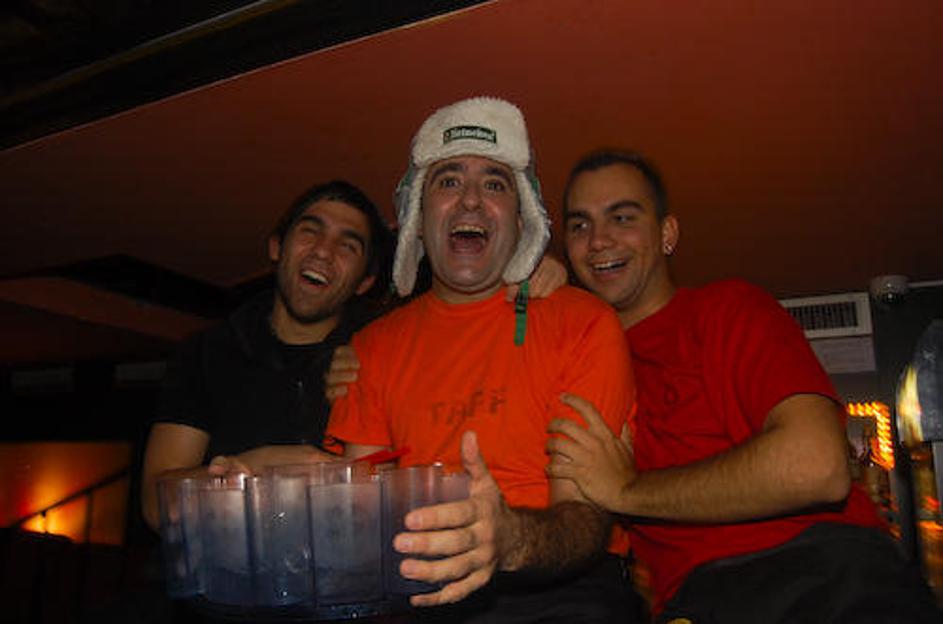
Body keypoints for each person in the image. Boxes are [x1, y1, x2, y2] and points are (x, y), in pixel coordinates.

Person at [547, 149, 943, 622]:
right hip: (696, 599)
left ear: (667, 234)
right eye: (580, 226)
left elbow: (816, 466)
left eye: (622, 217)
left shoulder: (727, 310)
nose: (598, 240)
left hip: (823, 573)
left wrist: (626, 490)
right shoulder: (577, 361)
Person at [326, 97, 643, 623]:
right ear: (417, 218)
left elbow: (586, 519)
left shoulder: (583, 322)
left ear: (521, 220)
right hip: (420, 585)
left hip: (561, 586)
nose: (471, 200)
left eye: (495, 184)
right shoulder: (370, 348)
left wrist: (508, 537)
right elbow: (363, 515)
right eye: (449, 180)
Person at [140, 179, 394, 531]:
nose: (323, 251)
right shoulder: (206, 353)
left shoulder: (382, 355)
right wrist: (255, 470)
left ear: (364, 282)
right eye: (310, 231)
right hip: (225, 564)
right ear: (277, 247)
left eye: (347, 246)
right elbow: (156, 505)